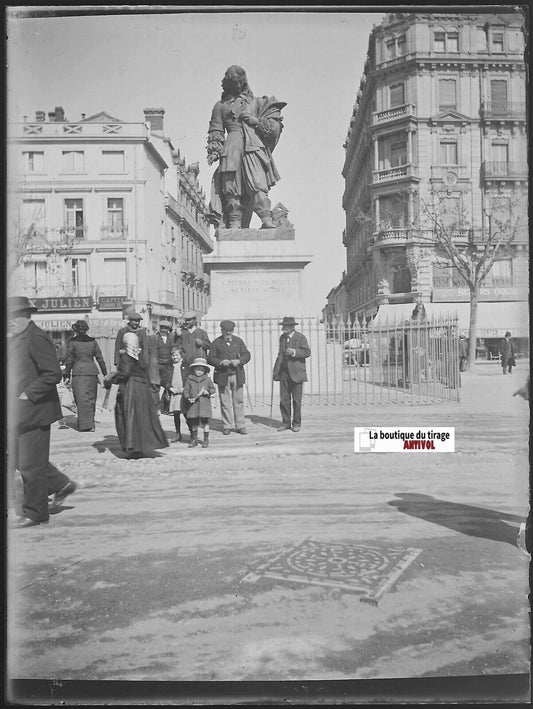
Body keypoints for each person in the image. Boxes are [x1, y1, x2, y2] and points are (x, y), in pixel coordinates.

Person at [7, 296, 77, 528]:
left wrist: (28, 393)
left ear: (25, 317)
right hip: (19, 411)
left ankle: (36, 513)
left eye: (13, 318)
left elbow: (52, 373)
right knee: (20, 459)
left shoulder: (36, 337)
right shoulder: (17, 337)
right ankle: (59, 484)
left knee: (29, 464)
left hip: (35, 410)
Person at [206, 65, 286, 230]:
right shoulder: (220, 106)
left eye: (238, 82)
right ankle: (235, 222)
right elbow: (216, 130)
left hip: (253, 145)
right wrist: (214, 150)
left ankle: (266, 218)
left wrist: (256, 121)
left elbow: (274, 126)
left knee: (258, 183)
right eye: (232, 82)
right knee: (232, 186)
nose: (236, 86)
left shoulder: (257, 102)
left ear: (243, 82)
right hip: (232, 146)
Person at [105, 331, 169, 459]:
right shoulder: (140, 356)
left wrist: (111, 379)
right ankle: (142, 445)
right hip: (142, 388)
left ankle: (134, 447)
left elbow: (125, 373)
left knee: (130, 417)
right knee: (142, 417)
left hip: (130, 388)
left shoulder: (126, 357)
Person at [208, 319, 251, 435]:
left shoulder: (238, 341)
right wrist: (220, 362)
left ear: (233, 331)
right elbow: (210, 358)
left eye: (230, 331)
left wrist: (240, 361)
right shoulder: (216, 343)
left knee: (239, 401)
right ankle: (227, 425)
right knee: (225, 402)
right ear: (221, 331)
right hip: (223, 376)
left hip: (237, 375)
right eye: (226, 331)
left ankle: (240, 425)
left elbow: (247, 355)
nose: (228, 333)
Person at [64, 320, 108, 432]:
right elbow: (100, 358)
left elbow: (69, 360)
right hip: (92, 372)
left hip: (78, 372)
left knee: (81, 399)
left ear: (76, 330)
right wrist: (105, 373)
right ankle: (91, 424)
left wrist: (67, 376)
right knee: (90, 399)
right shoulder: (93, 342)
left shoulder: (72, 342)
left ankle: (84, 424)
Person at [272, 317, 311, 432]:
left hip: (297, 374)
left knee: (296, 400)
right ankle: (286, 423)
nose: (283, 328)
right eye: (283, 326)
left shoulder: (300, 337)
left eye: (285, 326)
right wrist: (276, 371)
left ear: (291, 327)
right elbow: (280, 355)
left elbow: (307, 352)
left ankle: (296, 423)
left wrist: (294, 352)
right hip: (284, 373)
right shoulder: (282, 338)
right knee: (284, 400)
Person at [183, 357, 216, 448]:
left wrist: (208, 392)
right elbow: (186, 390)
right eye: (197, 369)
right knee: (194, 423)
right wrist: (188, 398)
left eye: (201, 370)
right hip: (193, 406)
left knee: (205, 423)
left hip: (204, 406)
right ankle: (194, 439)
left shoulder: (207, 379)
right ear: (193, 369)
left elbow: (213, 389)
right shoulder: (189, 379)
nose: (199, 371)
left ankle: (206, 439)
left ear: (204, 370)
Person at [151, 319, 177, 415]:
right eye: (162, 328)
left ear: (169, 329)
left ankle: (167, 408)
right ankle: (156, 408)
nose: (164, 330)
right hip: (158, 365)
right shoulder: (155, 338)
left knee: (168, 386)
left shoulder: (171, 338)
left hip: (168, 365)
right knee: (156, 386)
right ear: (159, 328)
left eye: (166, 328)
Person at [167, 346, 191, 443]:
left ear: (181, 356)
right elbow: (164, 378)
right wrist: (169, 387)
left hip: (183, 392)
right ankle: (178, 434)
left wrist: (185, 388)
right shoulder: (169, 367)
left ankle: (192, 433)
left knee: (186, 413)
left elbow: (189, 378)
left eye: (177, 355)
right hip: (174, 393)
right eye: (173, 355)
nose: (175, 357)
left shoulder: (186, 366)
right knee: (176, 414)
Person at [180, 311, 211, 376]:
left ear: (194, 320)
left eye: (189, 320)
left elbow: (208, 345)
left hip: (198, 364)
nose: (187, 322)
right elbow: (178, 346)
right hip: (186, 363)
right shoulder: (182, 333)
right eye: (186, 320)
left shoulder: (201, 332)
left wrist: (202, 343)